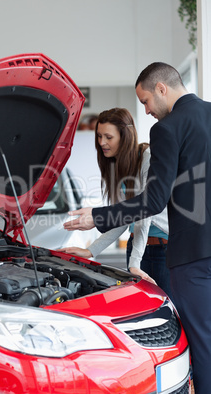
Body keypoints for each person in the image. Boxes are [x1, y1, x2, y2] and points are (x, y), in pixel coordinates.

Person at [64, 62, 211, 394]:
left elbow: (154, 201)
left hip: (192, 257)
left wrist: (97, 216)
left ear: (161, 88)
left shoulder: (167, 129)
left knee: (201, 345)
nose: (145, 111)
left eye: (145, 101)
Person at [59, 107, 171, 296]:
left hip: (163, 250)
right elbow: (124, 218)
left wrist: (134, 263)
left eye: (108, 137)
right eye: (99, 136)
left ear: (125, 136)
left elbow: (144, 214)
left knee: (170, 312)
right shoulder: (117, 166)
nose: (102, 142)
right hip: (136, 247)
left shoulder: (147, 158)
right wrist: (90, 251)